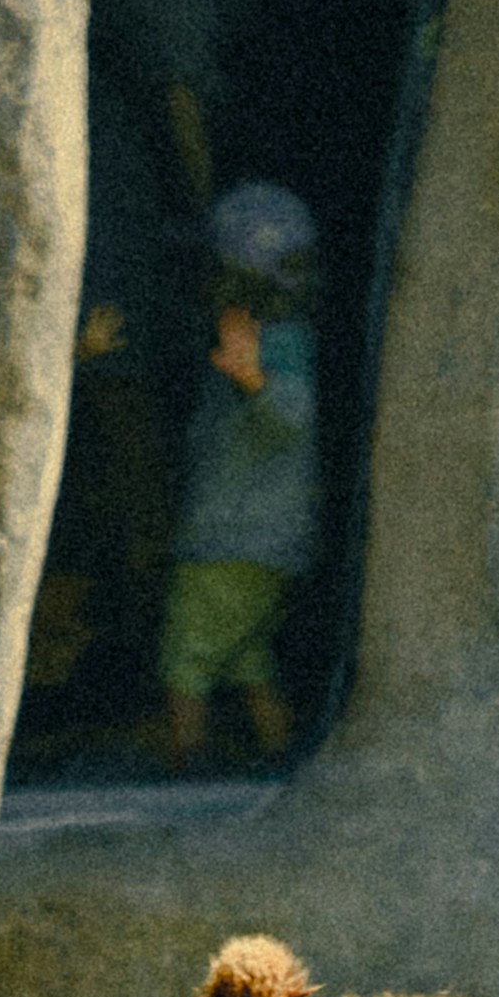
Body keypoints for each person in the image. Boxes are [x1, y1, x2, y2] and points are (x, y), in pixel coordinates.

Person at [153, 178, 324, 764]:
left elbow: (291, 422)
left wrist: (252, 376)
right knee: (251, 657)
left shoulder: (275, 345)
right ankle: (280, 752)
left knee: (187, 654)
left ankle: (187, 756)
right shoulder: (280, 337)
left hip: (232, 541)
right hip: (262, 540)